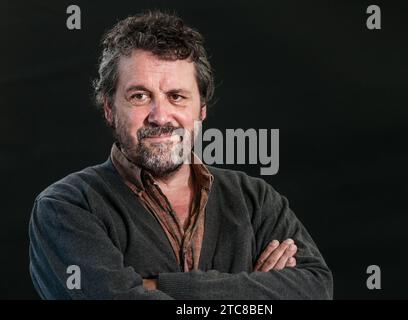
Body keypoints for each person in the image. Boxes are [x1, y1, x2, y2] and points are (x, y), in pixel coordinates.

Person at [29, 10, 333, 299]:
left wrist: (153, 285)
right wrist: (254, 292)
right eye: (140, 96)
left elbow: (316, 288)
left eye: (176, 97)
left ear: (201, 109)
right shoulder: (66, 207)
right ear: (110, 109)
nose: (160, 116)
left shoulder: (255, 200)